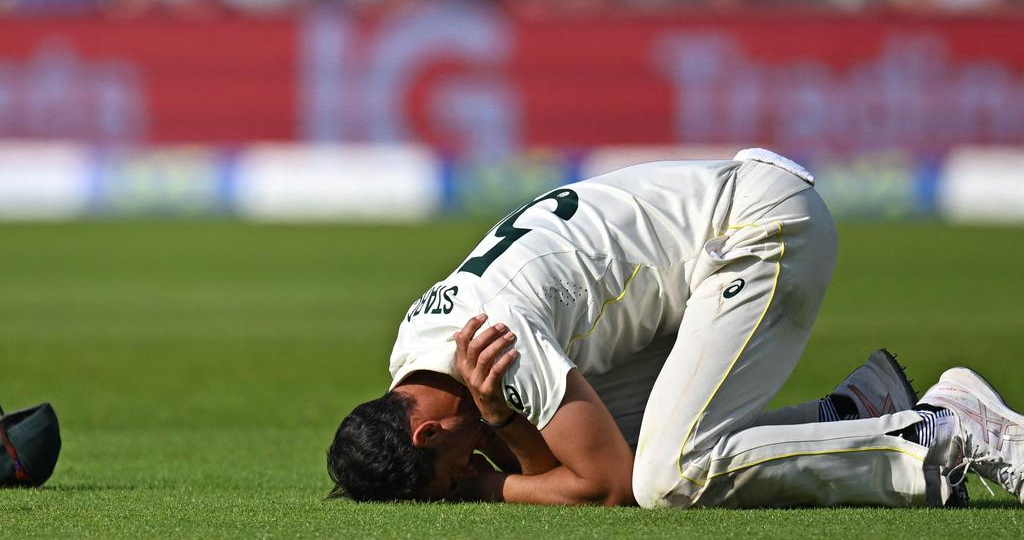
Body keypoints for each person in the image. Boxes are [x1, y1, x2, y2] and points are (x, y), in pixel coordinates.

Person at [327, 149, 1024, 507]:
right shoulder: (416, 349)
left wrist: (491, 480)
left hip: (757, 228)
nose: (459, 483)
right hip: (708, 252)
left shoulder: (491, 340)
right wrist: (507, 434)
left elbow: (605, 489)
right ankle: (858, 412)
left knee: (667, 476)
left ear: (427, 431)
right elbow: (555, 471)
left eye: (444, 480)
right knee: (636, 451)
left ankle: (946, 435)